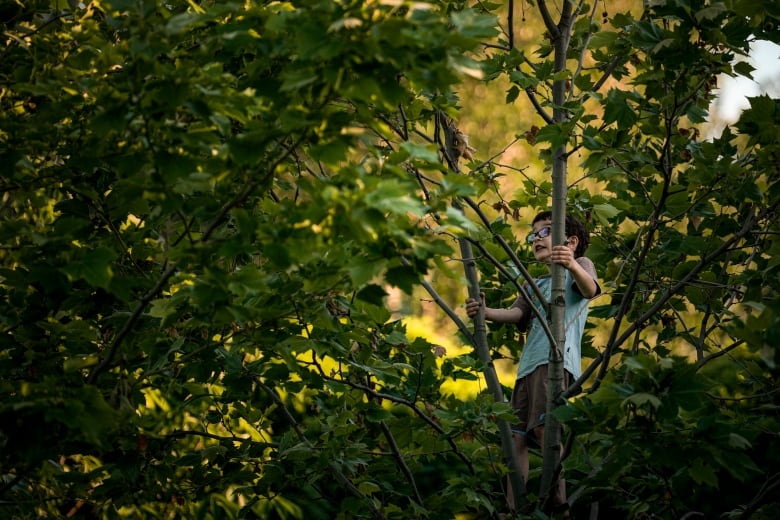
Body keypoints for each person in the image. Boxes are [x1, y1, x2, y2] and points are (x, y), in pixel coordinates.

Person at [466, 210, 601, 515]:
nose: (536, 239)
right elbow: (517, 314)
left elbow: (590, 289)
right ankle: (516, 507)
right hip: (527, 368)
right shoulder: (533, 283)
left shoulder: (580, 266)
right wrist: (485, 312)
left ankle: (557, 502)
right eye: (533, 235)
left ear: (571, 241)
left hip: (555, 363)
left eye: (545, 232)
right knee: (515, 439)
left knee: (544, 430)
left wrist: (568, 262)